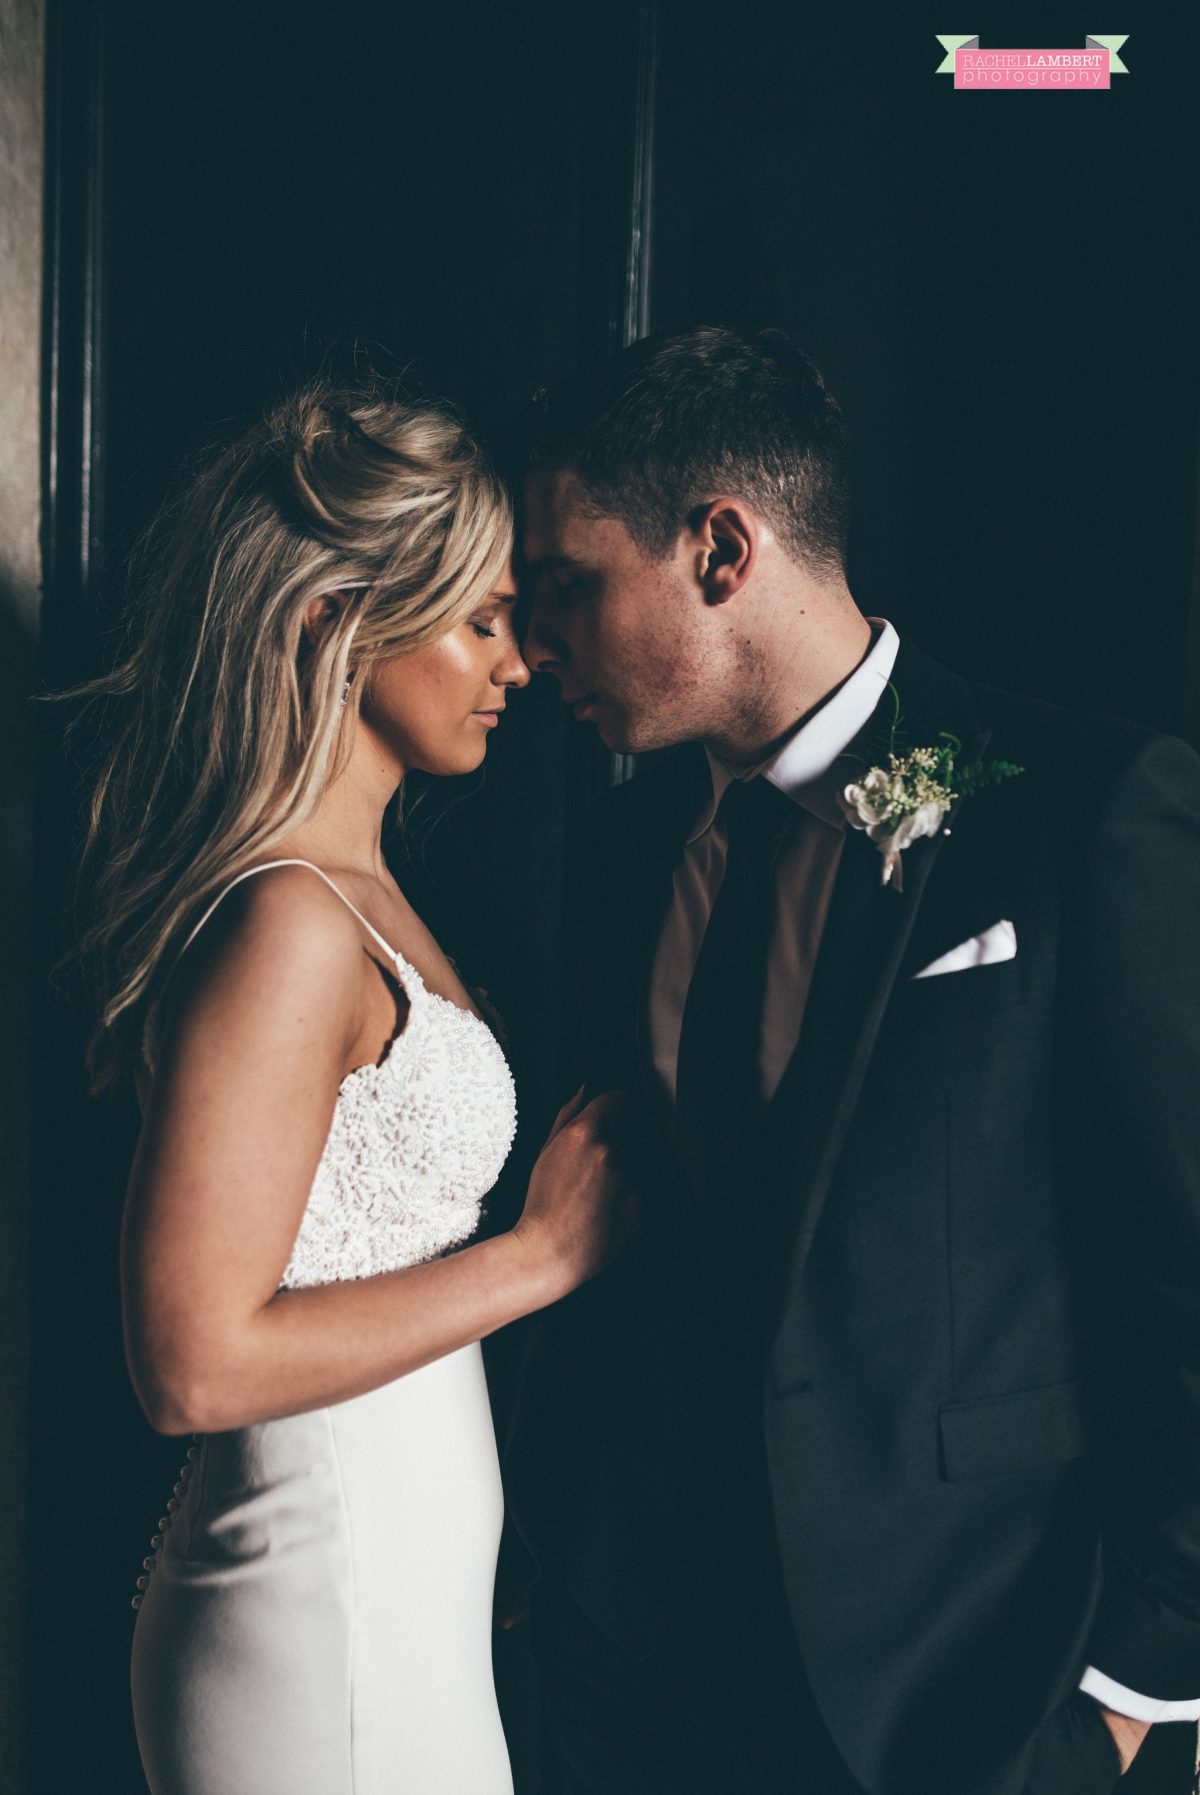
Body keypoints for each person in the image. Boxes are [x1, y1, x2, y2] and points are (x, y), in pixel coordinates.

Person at [503, 325, 1200, 1795]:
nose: (533, 637)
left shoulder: (1073, 807)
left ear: (719, 550)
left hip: (969, 1686)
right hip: (640, 1678)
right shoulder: (633, 847)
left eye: (568, 583)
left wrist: (1137, 1686)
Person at [62, 380, 634, 1795]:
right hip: (314, 1621)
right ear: (335, 622)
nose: (522, 659)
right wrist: (540, 1258)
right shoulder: (291, 926)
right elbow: (192, 1364)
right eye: (484, 618)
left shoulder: (366, 898)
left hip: (393, 1608)